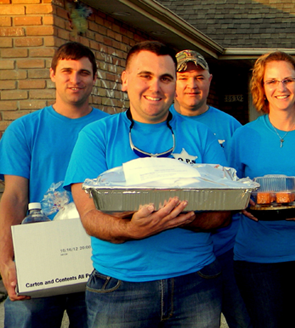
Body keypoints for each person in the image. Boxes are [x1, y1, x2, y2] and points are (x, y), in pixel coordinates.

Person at [64, 41, 231, 327]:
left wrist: (172, 218)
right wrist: (132, 229)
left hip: (196, 283)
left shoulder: (202, 136)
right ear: (125, 80)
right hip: (119, 288)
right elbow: (90, 217)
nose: (156, 87)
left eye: (165, 78)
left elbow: (223, 213)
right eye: (145, 76)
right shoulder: (95, 136)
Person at [0, 41, 108, 328]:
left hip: (97, 257)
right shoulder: (24, 130)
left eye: (84, 72)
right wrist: (6, 260)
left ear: (95, 78)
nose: (75, 79)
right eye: (67, 71)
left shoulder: (110, 129)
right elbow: (13, 197)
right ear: (52, 74)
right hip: (37, 258)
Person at [226, 51, 295, 328]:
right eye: (272, 82)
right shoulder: (244, 136)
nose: (281, 89)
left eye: (288, 80)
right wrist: (243, 202)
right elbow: (230, 190)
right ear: (261, 87)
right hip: (256, 259)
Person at [171, 49, 248, 328]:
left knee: (244, 320)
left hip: (228, 249)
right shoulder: (158, 123)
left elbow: (243, 182)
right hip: (180, 253)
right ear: (172, 82)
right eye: (184, 77)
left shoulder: (231, 126)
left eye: (199, 77)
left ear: (210, 80)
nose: (192, 85)